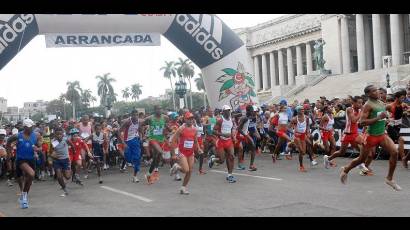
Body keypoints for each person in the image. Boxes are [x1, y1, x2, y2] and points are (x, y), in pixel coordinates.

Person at [340, 85, 401, 191]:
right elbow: (362, 123)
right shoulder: (367, 105)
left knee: (395, 152)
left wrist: (385, 119)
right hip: (370, 136)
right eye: (374, 91)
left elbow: (384, 112)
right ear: (368, 94)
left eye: (377, 90)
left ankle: (389, 179)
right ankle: (346, 169)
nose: (377, 92)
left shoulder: (381, 102)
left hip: (381, 134)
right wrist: (378, 118)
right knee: (361, 159)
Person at [6, 119, 42, 209]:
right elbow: (8, 142)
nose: (31, 129)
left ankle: (23, 196)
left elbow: (39, 146)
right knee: (29, 175)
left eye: (32, 127)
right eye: (29, 127)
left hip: (31, 159)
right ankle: (24, 196)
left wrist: (38, 149)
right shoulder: (18, 135)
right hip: (21, 160)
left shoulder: (35, 135)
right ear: (25, 127)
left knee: (29, 178)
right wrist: (9, 153)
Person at [324, 96, 363, 168]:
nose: (361, 104)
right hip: (347, 134)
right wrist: (362, 112)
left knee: (363, 148)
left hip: (355, 134)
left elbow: (360, 121)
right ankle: (328, 158)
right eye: (359, 103)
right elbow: (354, 120)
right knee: (341, 152)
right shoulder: (349, 109)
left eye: (361, 103)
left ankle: (361, 163)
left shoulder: (360, 110)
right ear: (353, 103)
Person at [170, 112, 202, 194]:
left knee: (190, 171)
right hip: (182, 153)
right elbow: (173, 141)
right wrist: (173, 154)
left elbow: (195, 141)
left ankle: (183, 188)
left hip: (190, 153)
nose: (191, 120)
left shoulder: (194, 129)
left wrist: (198, 148)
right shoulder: (181, 128)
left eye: (192, 118)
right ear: (185, 119)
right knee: (185, 170)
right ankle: (177, 166)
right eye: (189, 118)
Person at [208, 105, 237, 183]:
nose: (228, 112)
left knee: (231, 157)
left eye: (229, 110)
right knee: (221, 160)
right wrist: (223, 134)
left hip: (229, 141)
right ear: (223, 112)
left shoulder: (232, 120)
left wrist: (233, 136)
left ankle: (230, 175)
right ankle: (213, 159)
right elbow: (213, 131)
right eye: (227, 110)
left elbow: (232, 129)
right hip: (221, 141)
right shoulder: (220, 120)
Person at [142, 105, 170, 184]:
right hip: (153, 139)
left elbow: (167, 128)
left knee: (156, 159)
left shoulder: (165, 117)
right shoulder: (149, 118)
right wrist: (143, 135)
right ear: (154, 110)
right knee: (161, 152)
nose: (159, 110)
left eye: (160, 109)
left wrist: (168, 131)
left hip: (161, 139)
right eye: (158, 109)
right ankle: (153, 172)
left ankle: (148, 174)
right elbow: (141, 125)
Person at [119, 110, 142, 183]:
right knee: (128, 159)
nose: (135, 116)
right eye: (134, 115)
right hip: (127, 142)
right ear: (131, 115)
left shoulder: (139, 121)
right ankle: (131, 163)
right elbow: (119, 132)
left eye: (137, 115)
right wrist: (123, 143)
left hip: (135, 140)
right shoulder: (128, 122)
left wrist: (141, 137)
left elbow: (140, 130)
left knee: (137, 158)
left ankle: (135, 176)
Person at [50, 128, 73, 197]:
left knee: (68, 177)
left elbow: (72, 145)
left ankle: (69, 172)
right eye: (57, 134)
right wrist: (52, 154)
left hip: (65, 160)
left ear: (63, 134)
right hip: (57, 161)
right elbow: (50, 152)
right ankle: (65, 190)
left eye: (60, 134)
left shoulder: (66, 140)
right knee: (59, 177)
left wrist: (73, 152)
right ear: (55, 135)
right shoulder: (54, 142)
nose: (59, 135)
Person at [237, 105, 258, 171]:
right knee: (240, 150)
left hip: (245, 134)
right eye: (251, 111)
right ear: (248, 111)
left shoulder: (249, 117)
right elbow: (239, 129)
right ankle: (240, 164)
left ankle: (251, 165)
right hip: (240, 135)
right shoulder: (244, 118)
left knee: (253, 147)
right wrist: (245, 135)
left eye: (253, 111)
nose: (252, 112)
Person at [291, 106, 311, 172]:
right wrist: (294, 131)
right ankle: (301, 166)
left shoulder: (307, 118)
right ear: (297, 111)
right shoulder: (294, 119)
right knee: (301, 151)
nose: (302, 110)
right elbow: (288, 127)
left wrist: (308, 132)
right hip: (297, 136)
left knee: (304, 152)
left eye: (303, 109)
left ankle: (291, 145)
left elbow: (308, 126)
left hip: (303, 135)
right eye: (301, 109)